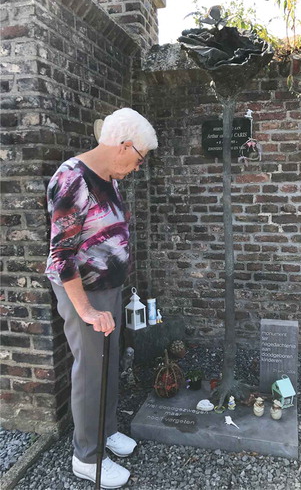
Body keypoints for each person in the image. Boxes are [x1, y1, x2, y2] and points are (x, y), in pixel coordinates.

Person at [45, 108, 158, 488]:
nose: (138, 167)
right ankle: (87, 458)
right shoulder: (71, 179)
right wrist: (88, 310)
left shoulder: (107, 177)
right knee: (91, 372)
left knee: (107, 366)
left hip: (107, 289)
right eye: (139, 159)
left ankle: (105, 432)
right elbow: (60, 257)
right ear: (124, 146)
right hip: (85, 295)